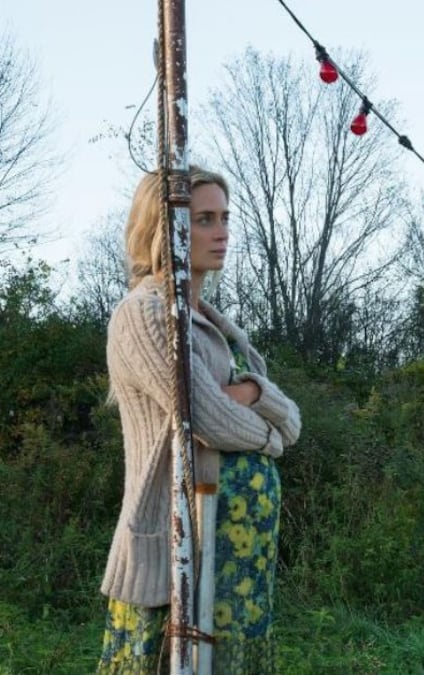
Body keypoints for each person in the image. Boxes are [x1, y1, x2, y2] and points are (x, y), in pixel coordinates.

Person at [98, 167, 301, 673]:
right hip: (177, 543)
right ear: (164, 228)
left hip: (234, 554)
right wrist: (268, 436)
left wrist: (250, 391)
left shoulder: (215, 324)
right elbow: (208, 420)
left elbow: (293, 420)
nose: (222, 232)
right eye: (204, 219)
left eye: (225, 218)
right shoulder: (143, 314)